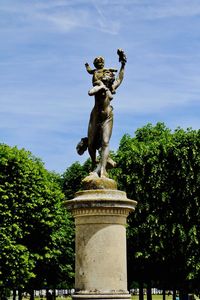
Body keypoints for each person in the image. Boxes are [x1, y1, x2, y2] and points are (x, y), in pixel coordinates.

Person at [77, 49, 127, 178]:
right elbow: (90, 91)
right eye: (107, 75)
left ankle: (103, 170)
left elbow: (120, 78)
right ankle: (97, 163)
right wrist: (101, 86)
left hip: (108, 116)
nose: (110, 76)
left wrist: (123, 64)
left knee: (105, 142)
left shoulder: (111, 88)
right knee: (92, 145)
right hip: (95, 116)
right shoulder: (99, 85)